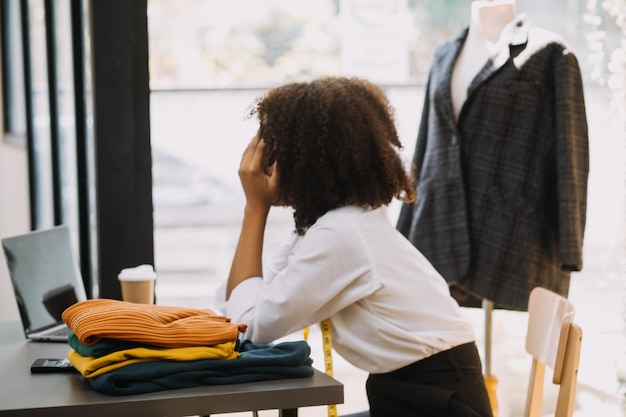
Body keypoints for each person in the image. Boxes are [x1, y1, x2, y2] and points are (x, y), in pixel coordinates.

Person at [215, 76, 494, 417]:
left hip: (438, 402)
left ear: (308, 158)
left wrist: (254, 208)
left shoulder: (342, 233)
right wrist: (253, 209)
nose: (263, 165)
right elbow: (238, 310)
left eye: (272, 150)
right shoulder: (334, 223)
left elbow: (253, 328)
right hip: (410, 392)